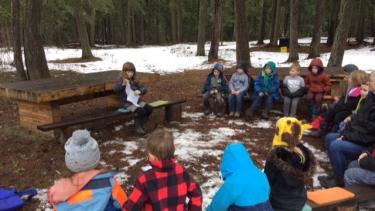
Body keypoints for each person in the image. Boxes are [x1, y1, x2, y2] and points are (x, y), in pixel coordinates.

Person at [319, 71, 375, 188]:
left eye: (371, 80)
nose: (369, 82)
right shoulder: (371, 97)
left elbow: (369, 134)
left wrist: (347, 136)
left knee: (336, 145)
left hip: (366, 144)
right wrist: (346, 132)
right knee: (330, 137)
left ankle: (340, 180)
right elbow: (358, 117)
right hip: (358, 136)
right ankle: (337, 173)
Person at [124, 128, 202, 210]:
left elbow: (131, 207)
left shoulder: (144, 180)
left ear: (153, 156)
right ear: (174, 148)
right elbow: (196, 195)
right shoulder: (182, 172)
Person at [48, 130, 127, 211]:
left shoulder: (59, 191)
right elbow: (124, 204)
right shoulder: (109, 183)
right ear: (96, 157)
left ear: (68, 160)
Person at [264, 117, 316, 211]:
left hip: (278, 204)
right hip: (300, 200)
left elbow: (267, 182)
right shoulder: (304, 154)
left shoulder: (275, 156)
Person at [207, 143, 273, 211]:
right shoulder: (260, 174)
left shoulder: (234, 181)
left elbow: (219, 204)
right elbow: (268, 191)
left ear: (227, 161)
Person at [310, 70, 368, 137]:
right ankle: (323, 130)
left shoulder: (359, 92)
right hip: (344, 109)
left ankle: (330, 132)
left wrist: (338, 107)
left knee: (338, 115)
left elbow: (351, 105)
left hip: (350, 112)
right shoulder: (352, 89)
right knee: (331, 112)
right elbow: (343, 100)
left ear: (355, 81)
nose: (348, 79)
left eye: (350, 78)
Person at [114, 62, 153, 135]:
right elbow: (116, 90)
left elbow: (144, 88)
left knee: (149, 108)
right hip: (127, 104)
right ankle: (138, 127)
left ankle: (142, 124)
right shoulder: (121, 80)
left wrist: (140, 91)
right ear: (124, 72)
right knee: (141, 111)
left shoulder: (134, 80)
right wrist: (122, 85)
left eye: (132, 72)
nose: (130, 74)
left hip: (137, 101)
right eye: (128, 72)